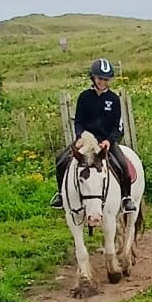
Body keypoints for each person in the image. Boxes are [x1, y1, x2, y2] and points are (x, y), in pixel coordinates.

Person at [50, 57, 136, 212]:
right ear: (93, 77)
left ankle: (126, 198)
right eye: (100, 78)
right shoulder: (84, 97)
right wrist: (80, 137)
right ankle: (61, 195)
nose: (103, 82)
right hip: (86, 140)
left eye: (106, 79)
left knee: (123, 165)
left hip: (105, 142)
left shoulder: (114, 99)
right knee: (60, 160)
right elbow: (79, 122)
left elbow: (118, 127)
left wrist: (109, 141)